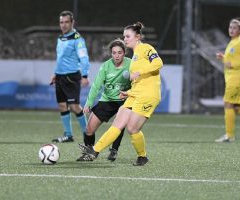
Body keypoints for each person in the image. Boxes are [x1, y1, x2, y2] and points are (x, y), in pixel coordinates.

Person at [79, 22, 163, 166]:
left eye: (128, 36)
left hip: (148, 95)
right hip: (135, 94)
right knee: (118, 123)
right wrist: (129, 92)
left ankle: (142, 156)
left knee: (132, 128)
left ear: (137, 37)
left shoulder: (145, 48)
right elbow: (140, 81)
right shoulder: (136, 55)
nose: (125, 39)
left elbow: (159, 63)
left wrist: (139, 72)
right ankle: (95, 150)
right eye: (124, 36)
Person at [76, 39, 131, 162]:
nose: (116, 55)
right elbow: (96, 85)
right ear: (111, 53)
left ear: (124, 53)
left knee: (119, 125)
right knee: (89, 129)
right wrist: (89, 103)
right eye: (114, 53)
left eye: (119, 52)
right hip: (107, 100)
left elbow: (139, 81)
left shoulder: (131, 64)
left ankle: (114, 150)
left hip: (125, 100)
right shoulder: (106, 66)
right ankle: (89, 152)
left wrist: (130, 93)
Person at [51, 10, 90, 143]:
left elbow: (84, 58)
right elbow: (60, 59)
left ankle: (87, 133)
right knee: (62, 105)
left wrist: (85, 75)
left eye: (67, 22)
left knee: (74, 106)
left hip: (71, 77)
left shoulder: (77, 39)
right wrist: (55, 74)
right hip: (60, 76)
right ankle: (68, 135)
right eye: (61, 22)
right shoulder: (60, 38)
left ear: (72, 22)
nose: (64, 25)